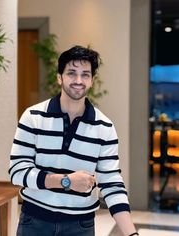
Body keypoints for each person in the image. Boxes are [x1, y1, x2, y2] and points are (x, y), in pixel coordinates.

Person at [9, 46, 138, 236]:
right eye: (71, 73)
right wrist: (66, 181)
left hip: (80, 226)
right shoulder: (33, 116)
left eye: (85, 74)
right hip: (34, 222)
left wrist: (132, 234)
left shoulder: (105, 127)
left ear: (92, 80)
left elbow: (111, 182)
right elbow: (17, 172)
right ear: (60, 77)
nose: (78, 80)